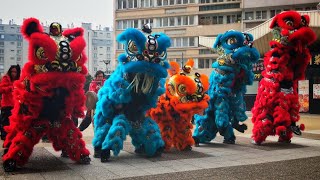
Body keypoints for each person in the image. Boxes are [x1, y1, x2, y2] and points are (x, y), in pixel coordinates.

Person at [0, 65, 21, 140]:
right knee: (5, 123)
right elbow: (1, 89)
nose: (13, 73)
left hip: (15, 105)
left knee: (13, 124)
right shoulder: (6, 78)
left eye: (15, 72)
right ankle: (4, 137)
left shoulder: (18, 80)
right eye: (12, 71)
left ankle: (10, 138)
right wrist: (11, 87)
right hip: (6, 105)